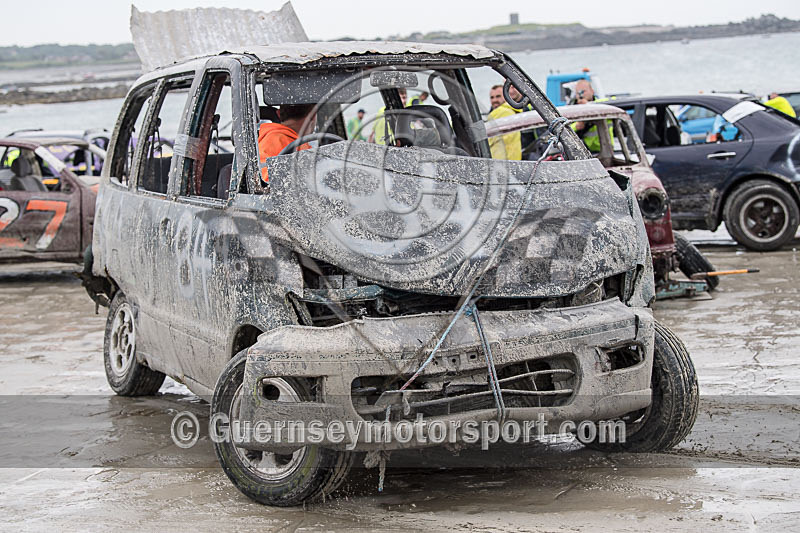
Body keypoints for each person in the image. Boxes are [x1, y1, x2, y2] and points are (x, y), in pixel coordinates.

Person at [258, 103, 316, 181]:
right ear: (313, 115)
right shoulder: (275, 140)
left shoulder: (295, 142)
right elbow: (266, 184)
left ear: (278, 114)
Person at [571, 79, 612, 153]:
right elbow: (566, 128)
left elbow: (614, 102)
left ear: (592, 91)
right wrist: (577, 125)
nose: (581, 95)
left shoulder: (602, 104)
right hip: (587, 150)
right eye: (578, 93)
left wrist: (589, 106)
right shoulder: (572, 109)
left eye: (583, 91)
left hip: (606, 149)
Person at [488, 84, 524, 160]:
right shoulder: (513, 112)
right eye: (492, 97)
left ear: (507, 97)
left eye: (498, 96)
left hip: (500, 163)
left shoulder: (502, 113)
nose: (494, 100)